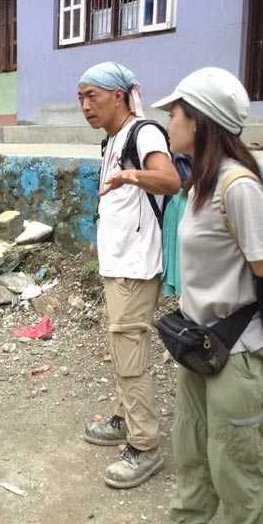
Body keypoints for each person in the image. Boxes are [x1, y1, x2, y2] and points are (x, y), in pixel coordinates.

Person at [151, 67, 263, 524]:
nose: (168, 121)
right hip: (199, 346)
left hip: (238, 351)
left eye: (174, 112)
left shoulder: (238, 187)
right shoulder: (200, 185)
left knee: (236, 470)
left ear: (199, 121)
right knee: (191, 453)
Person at [78, 62, 180, 489]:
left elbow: (170, 179)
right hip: (119, 262)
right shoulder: (113, 139)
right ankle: (124, 419)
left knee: (131, 355)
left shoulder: (145, 133)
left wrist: (130, 174)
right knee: (122, 349)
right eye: (81, 98)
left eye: (92, 96)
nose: (85, 106)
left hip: (137, 265)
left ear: (118, 95)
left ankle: (145, 445)